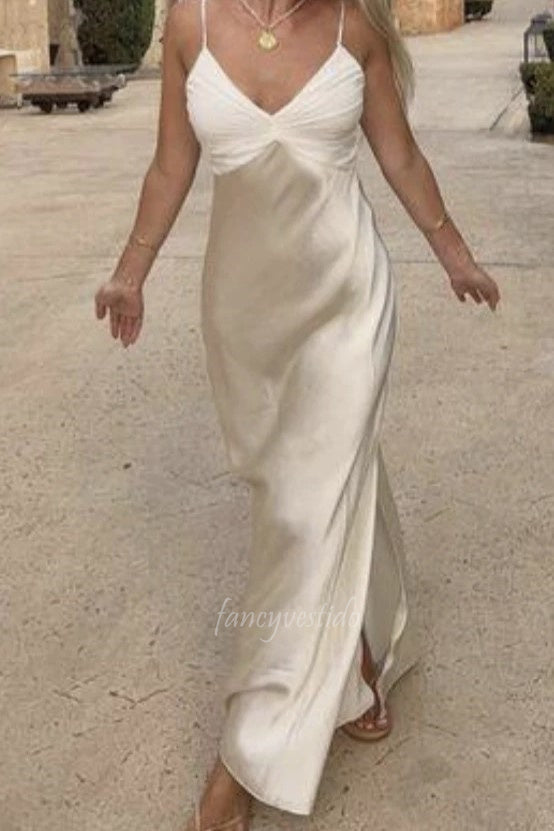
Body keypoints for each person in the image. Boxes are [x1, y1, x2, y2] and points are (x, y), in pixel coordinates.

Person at [94, 1, 501, 828]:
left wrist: (454, 253)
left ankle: (245, 756)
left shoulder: (357, 28)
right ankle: (360, 649)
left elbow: (400, 154)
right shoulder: (190, 25)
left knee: (302, 515)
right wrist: (130, 272)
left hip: (346, 303)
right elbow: (170, 165)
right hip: (245, 319)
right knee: (311, 490)